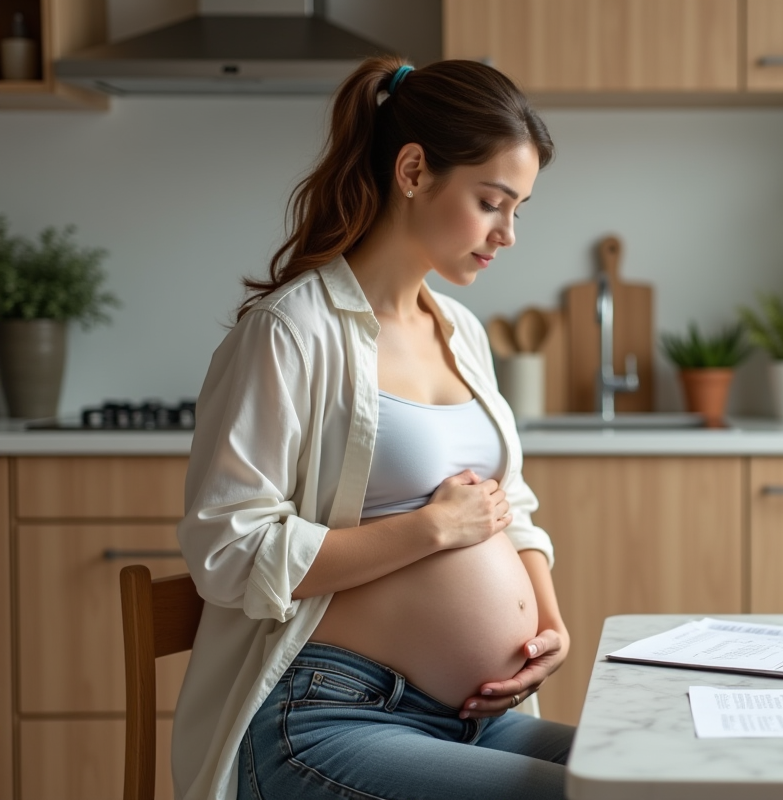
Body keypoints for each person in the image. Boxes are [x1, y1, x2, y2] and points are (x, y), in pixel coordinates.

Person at [171, 57, 574, 800]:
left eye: (519, 209)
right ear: (414, 170)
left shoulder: (460, 331)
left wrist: (548, 627)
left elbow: (507, 504)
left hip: (473, 717)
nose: (508, 233)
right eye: (492, 202)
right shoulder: (291, 333)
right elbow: (227, 548)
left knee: (659, 773)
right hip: (326, 720)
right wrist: (429, 531)